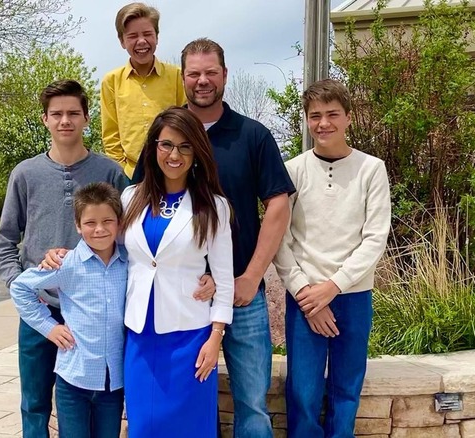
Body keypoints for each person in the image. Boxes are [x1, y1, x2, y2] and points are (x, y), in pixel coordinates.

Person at [131, 38, 295, 437]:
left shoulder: (251, 135)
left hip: (241, 292)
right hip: (179, 304)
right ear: (182, 77)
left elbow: (279, 206)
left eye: (211, 72)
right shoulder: (166, 134)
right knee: (180, 403)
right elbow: (136, 210)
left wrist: (251, 277)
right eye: (193, 73)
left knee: (252, 404)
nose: (202, 80)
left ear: (224, 75)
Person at [0, 79, 128, 438]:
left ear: (86, 118)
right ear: (45, 120)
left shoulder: (111, 173)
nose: (65, 120)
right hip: (43, 309)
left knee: (94, 397)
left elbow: (131, 236)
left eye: (73, 113)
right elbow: (5, 241)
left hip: (91, 311)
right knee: (35, 402)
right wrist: (20, 284)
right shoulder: (25, 174)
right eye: (57, 114)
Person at [273, 78, 391, 438]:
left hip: (353, 296)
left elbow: (375, 238)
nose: (323, 123)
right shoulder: (292, 170)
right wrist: (307, 294)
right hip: (305, 299)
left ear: (348, 118)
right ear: (306, 121)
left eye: (332, 114)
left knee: (346, 389)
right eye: (315, 116)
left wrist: (334, 287)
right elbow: (280, 237)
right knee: (303, 393)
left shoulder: (371, 169)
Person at [122, 106, 233, 437]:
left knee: (189, 428)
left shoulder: (213, 207)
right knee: (143, 427)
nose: (175, 154)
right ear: (153, 147)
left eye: (185, 147)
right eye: (167, 144)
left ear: (197, 153)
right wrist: (64, 256)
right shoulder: (129, 198)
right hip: (140, 337)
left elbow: (225, 279)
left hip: (191, 338)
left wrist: (215, 338)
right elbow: (111, 255)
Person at [9, 182, 127, 438]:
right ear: (77, 225)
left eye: (108, 221)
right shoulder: (67, 263)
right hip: (74, 380)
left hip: (113, 383)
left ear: (119, 222)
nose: (99, 229)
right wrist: (49, 328)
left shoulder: (129, 263)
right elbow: (20, 288)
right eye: (90, 223)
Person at [101, 2, 186, 178]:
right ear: (122, 41)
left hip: (173, 171)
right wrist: (124, 170)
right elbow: (111, 136)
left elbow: (186, 126)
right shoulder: (111, 81)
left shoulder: (177, 76)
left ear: (157, 37)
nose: (141, 41)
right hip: (130, 175)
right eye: (132, 36)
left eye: (148, 34)